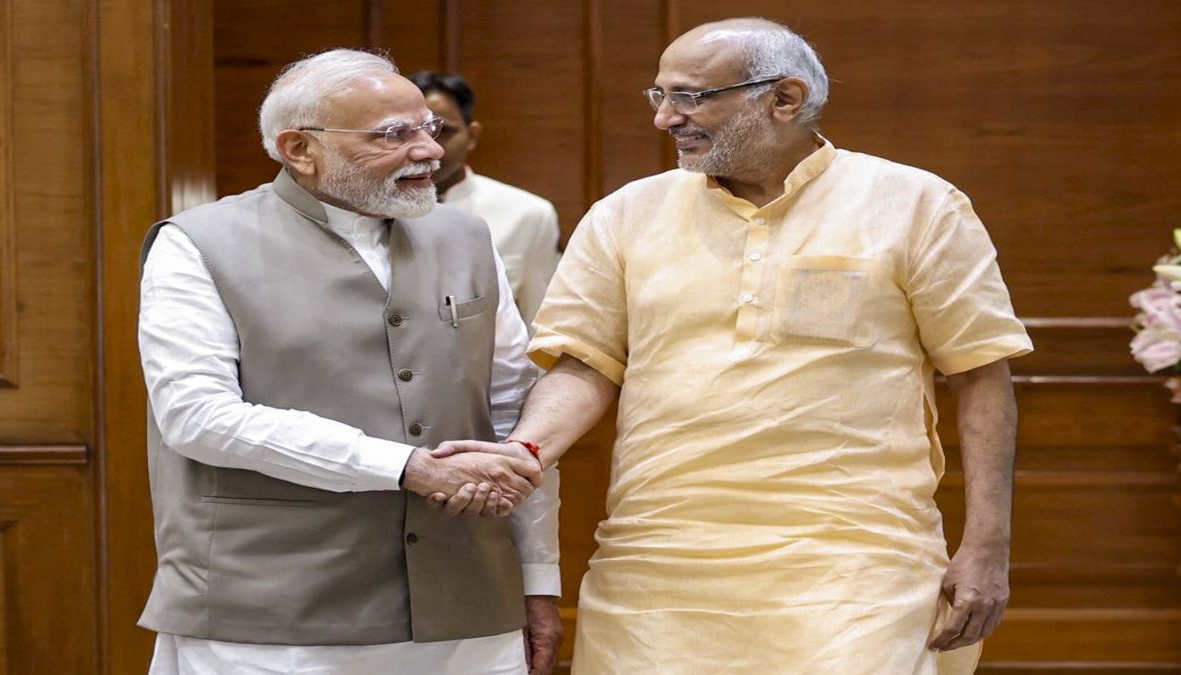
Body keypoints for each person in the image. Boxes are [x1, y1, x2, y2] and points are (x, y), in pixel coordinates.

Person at [433, 17, 1033, 674]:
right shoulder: (626, 213)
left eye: (690, 97)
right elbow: (583, 366)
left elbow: (980, 375)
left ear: (785, 99)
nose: (665, 119)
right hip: (656, 568)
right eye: (657, 96)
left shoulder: (918, 205)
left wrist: (988, 541)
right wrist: (524, 449)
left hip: (854, 568)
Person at [137, 49, 562, 675]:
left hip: (468, 607)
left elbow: (512, 414)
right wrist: (404, 467)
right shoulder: (197, 244)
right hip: (272, 618)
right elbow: (197, 417)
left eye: (431, 129)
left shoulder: (469, 239)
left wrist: (537, 578)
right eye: (394, 135)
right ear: (299, 149)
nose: (429, 152)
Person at [409, 70, 561, 329]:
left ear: (473, 135)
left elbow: (540, 321)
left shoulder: (528, 214)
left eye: (442, 131)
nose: (427, 146)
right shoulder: (367, 208)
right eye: (410, 131)